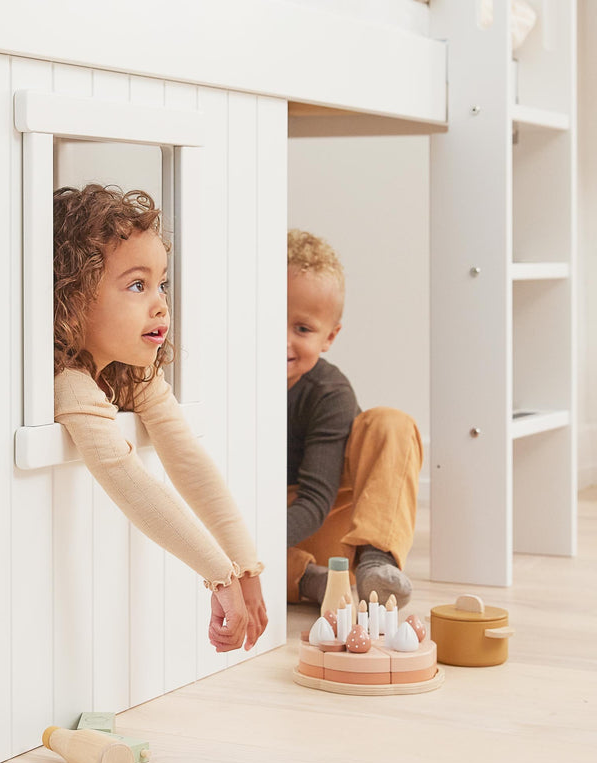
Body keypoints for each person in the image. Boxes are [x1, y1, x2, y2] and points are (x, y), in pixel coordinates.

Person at [52, 183, 267, 652]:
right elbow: (127, 479)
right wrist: (219, 576)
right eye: (136, 285)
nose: (160, 303)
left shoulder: (136, 372)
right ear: (73, 297)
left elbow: (187, 459)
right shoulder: (67, 382)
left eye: (161, 283)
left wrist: (245, 566)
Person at [286, 229, 423, 610]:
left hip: (333, 517)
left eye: (302, 329)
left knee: (390, 423)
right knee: (222, 554)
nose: (283, 340)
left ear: (330, 336)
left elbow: (315, 501)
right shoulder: (226, 385)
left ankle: (376, 558)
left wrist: (253, 538)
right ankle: (314, 582)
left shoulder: (329, 392)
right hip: (273, 535)